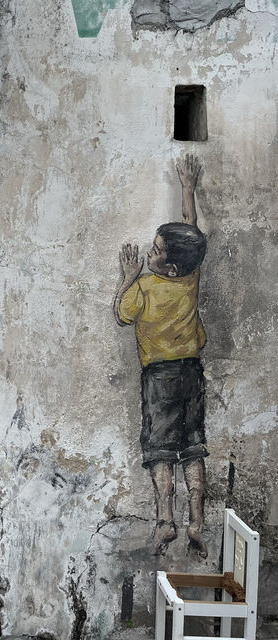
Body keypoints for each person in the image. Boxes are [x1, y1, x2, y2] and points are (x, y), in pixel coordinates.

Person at [113, 155, 209, 557]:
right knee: (193, 445)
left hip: (160, 378)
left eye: (154, 251)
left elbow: (121, 315)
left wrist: (126, 279)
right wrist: (188, 187)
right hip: (193, 373)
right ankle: (198, 520)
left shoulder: (148, 286)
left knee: (160, 451)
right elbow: (192, 232)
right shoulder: (189, 276)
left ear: (166, 266)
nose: (150, 254)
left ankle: (166, 521)